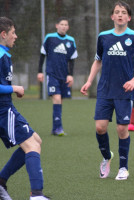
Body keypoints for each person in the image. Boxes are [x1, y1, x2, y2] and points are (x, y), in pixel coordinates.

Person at [80, 1, 134, 181]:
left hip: (124, 92)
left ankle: (123, 168)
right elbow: (97, 60)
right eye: (117, 12)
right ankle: (106, 157)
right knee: (100, 127)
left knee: (121, 129)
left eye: (123, 12)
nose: (120, 15)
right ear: (112, 17)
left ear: (129, 17)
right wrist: (88, 81)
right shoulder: (103, 37)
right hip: (104, 90)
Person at [0, 16, 50, 200]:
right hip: (3, 110)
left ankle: (1, 181)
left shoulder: (4, 53)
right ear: (3, 34)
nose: (16, 36)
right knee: (32, 145)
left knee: (36, 140)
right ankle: (36, 194)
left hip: (6, 107)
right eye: (13, 33)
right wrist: (14, 88)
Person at [37, 17, 78, 136]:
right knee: (57, 98)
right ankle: (58, 128)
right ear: (57, 25)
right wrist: (40, 71)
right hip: (52, 74)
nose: (64, 26)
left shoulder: (71, 40)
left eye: (66, 24)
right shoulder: (50, 38)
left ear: (68, 27)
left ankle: (55, 129)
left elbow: (72, 60)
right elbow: (42, 55)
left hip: (64, 76)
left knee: (60, 100)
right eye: (61, 24)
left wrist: (70, 75)